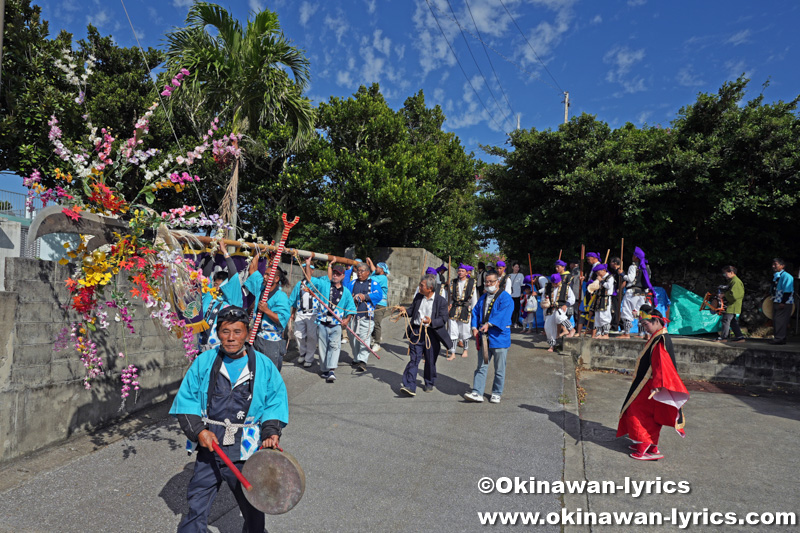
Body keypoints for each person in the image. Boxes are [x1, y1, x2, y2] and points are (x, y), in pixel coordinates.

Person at [170, 306, 288, 533]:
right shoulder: (204, 362)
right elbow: (187, 400)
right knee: (197, 503)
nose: (231, 338)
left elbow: (275, 402)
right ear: (218, 332)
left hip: (246, 450)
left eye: (237, 331)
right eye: (225, 331)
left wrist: (271, 430)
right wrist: (199, 431)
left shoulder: (264, 366)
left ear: (247, 333)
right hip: (210, 446)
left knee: (253, 506)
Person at [616, 305, 688, 461]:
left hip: (650, 386)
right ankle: (651, 446)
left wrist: (657, 385)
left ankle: (644, 448)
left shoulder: (660, 339)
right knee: (640, 414)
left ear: (656, 321)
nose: (645, 328)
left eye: (646, 324)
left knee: (639, 414)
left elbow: (660, 364)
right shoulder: (658, 336)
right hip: (646, 383)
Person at [464, 272, 513, 404]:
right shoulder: (484, 297)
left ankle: (497, 392)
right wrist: (474, 327)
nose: (488, 284)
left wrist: (489, 324)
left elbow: (503, 315)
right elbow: (475, 312)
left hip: (499, 338)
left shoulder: (506, 298)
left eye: (491, 281)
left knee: (499, 368)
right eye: (486, 282)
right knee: (482, 366)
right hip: (485, 338)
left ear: (498, 282)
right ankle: (477, 392)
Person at [400, 275, 453, 395]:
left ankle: (429, 382)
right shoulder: (419, 297)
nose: (419, 287)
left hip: (432, 333)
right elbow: (411, 311)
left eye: (421, 285)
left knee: (430, 360)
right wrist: (403, 311)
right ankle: (409, 385)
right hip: (417, 332)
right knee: (414, 359)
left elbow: (444, 318)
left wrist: (431, 322)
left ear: (430, 288)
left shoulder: (441, 301)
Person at [306, 261, 356, 382]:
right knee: (322, 348)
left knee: (334, 346)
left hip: (336, 324)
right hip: (322, 322)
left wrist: (347, 319)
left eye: (338, 274)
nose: (335, 276)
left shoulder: (346, 292)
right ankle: (325, 370)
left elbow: (351, 308)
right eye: (334, 273)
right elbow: (309, 280)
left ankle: (332, 370)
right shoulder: (324, 284)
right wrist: (308, 265)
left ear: (343, 276)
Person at [243, 252, 292, 371]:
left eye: (268, 275)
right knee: (254, 369)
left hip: (272, 340)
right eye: (265, 274)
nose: (264, 276)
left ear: (276, 279)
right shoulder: (261, 287)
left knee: (270, 371)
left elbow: (282, 319)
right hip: (256, 336)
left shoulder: (281, 296)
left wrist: (266, 310)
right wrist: (258, 253)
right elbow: (252, 270)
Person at [196, 248, 245, 352]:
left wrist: (225, 252)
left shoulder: (233, 302)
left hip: (220, 349)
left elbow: (234, 278)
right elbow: (205, 278)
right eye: (215, 285)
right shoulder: (209, 297)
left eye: (220, 285)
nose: (217, 288)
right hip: (201, 347)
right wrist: (212, 254)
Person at [343, 262, 383, 372]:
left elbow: (379, 295)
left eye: (362, 271)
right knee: (353, 338)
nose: (359, 273)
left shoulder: (373, 283)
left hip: (366, 316)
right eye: (358, 271)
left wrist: (365, 296)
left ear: (367, 272)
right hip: (352, 316)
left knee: (364, 339)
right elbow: (345, 290)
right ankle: (356, 358)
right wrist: (348, 271)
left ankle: (363, 361)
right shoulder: (352, 283)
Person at [619, 247, 657, 339]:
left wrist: (622, 274)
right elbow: (647, 281)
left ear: (636, 257)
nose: (632, 257)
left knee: (627, 311)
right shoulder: (647, 268)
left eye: (633, 255)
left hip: (632, 292)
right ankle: (644, 334)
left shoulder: (633, 267)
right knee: (642, 313)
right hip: (642, 293)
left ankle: (626, 333)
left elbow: (630, 279)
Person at [289, 264, 320, 368]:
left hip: (313, 313)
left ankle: (309, 358)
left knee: (311, 336)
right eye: (304, 269)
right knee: (298, 334)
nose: (305, 271)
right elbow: (294, 298)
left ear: (312, 271)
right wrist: (292, 313)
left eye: (308, 269)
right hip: (301, 312)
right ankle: (302, 353)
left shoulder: (316, 282)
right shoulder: (299, 284)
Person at [447, 263, 478, 360]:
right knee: (453, 330)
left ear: (466, 272)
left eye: (462, 271)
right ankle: (452, 352)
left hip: (465, 309)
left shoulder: (472, 282)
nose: (460, 272)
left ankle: (465, 349)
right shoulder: (453, 282)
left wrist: (474, 311)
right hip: (454, 308)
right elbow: (451, 297)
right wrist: (449, 305)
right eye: (459, 271)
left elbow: (474, 299)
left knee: (464, 330)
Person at [543, 273, 576, 352]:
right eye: (553, 283)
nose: (554, 285)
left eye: (556, 283)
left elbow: (572, 299)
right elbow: (543, 297)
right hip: (550, 309)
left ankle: (571, 329)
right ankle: (552, 345)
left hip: (561, 307)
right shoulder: (547, 287)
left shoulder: (566, 287)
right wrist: (544, 303)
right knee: (548, 327)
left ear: (560, 281)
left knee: (559, 317)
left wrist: (566, 305)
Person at [716, 265, 745, 343]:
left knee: (725, 320)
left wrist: (724, 295)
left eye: (725, 274)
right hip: (732, 304)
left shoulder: (735, 281)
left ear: (731, 272)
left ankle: (724, 337)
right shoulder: (733, 281)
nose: (724, 275)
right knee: (732, 321)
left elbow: (735, 295)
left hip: (733, 305)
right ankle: (740, 337)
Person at [366, 258, 389, 353]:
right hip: (374, 303)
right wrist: (370, 261)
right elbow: (373, 269)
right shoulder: (377, 274)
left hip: (380, 304)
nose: (375, 269)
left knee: (376, 323)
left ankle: (377, 343)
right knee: (371, 322)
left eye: (377, 267)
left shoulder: (382, 277)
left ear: (382, 269)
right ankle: (376, 337)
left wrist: (366, 270)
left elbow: (370, 279)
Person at [770, 258, 794, 345]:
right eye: (773, 264)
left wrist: (783, 302)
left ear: (782, 266)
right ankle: (779, 338)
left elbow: (788, 290)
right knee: (777, 320)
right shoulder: (777, 276)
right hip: (777, 300)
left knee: (780, 320)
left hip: (784, 302)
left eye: (775, 264)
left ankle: (779, 338)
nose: (773, 266)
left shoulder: (787, 276)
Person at [576, 252, 600, 337]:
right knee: (583, 311)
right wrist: (585, 278)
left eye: (589, 259)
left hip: (594, 292)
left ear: (594, 258)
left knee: (592, 312)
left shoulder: (599, 267)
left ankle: (593, 332)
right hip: (588, 291)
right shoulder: (591, 267)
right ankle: (579, 332)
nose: (588, 261)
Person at [589, 263, 614, 339]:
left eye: (598, 272)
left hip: (605, 299)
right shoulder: (599, 279)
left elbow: (608, 286)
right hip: (598, 299)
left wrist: (601, 281)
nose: (597, 274)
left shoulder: (610, 277)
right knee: (598, 316)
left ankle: (606, 333)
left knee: (604, 316)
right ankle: (599, 333)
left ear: (603, 270)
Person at [608, 257, 624, 332]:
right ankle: (621, 325)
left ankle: (615, 327)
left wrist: (619, 290)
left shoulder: (619, 271)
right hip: (614, 293)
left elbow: (624, 282)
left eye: (611, 262)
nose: (610, 264)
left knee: (616, 309)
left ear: (615, 263)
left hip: (617, 294)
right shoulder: (614, 272)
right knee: (615, 309)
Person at [508, 263, 525, 329]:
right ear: (512, 267)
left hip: (517, 294)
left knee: (517, 309)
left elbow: (522, 285)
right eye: (515, 267)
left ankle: (516, 321)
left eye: (518, 267)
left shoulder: (520, 275)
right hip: (510, 294)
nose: (517, 268)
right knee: (510, 309)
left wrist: (522, 292)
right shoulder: (509, 275)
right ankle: (511, 321)